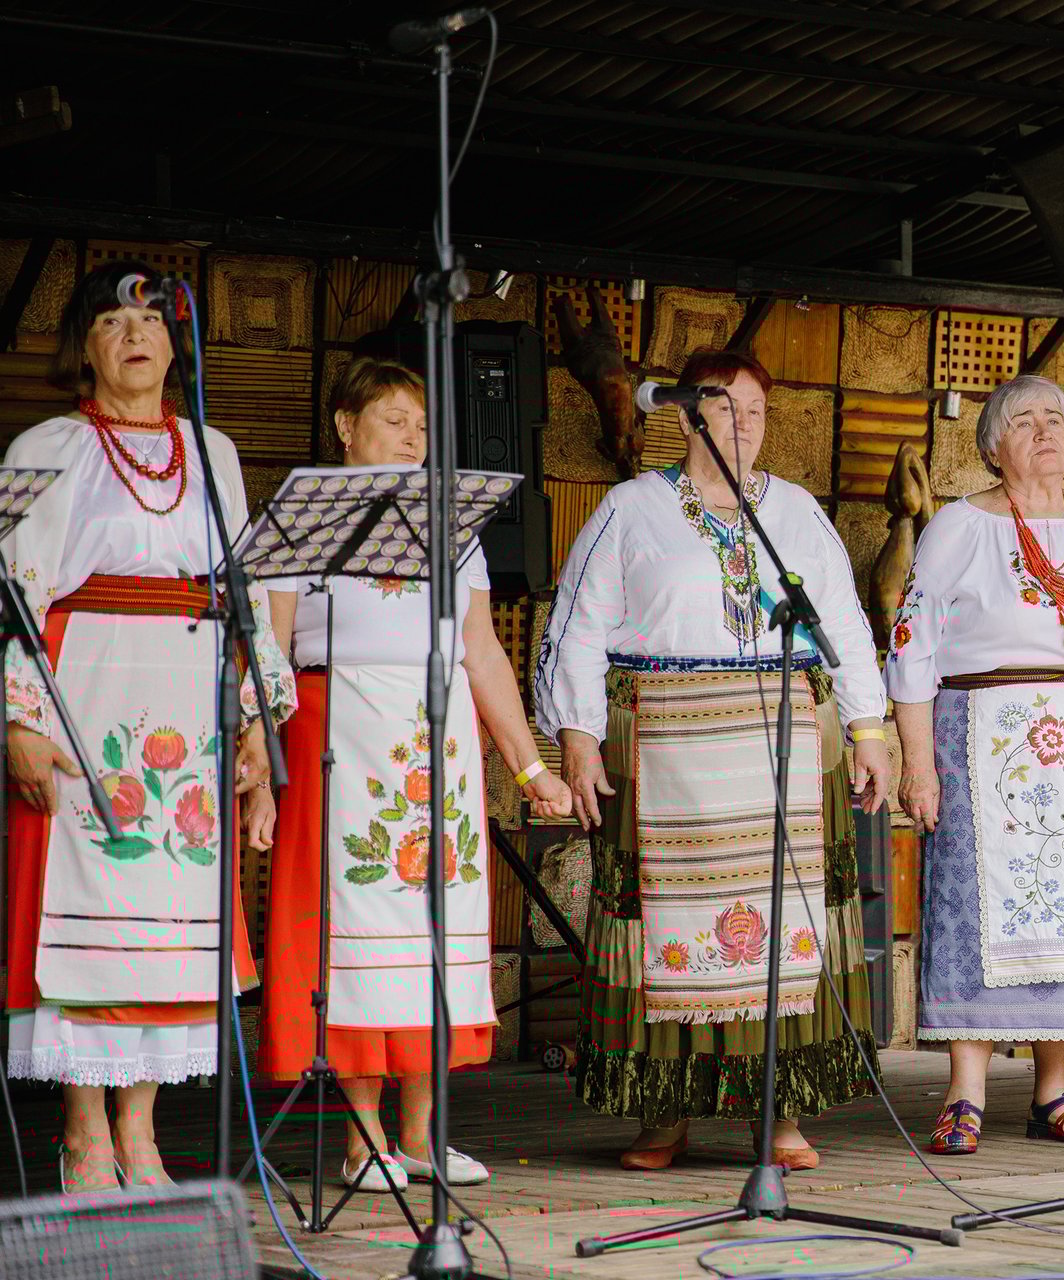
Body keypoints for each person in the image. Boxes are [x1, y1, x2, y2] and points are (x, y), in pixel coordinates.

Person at [535, 349, 888, 1172]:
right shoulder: (631, 509)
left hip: (784, 749)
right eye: (725, 407)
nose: (742, 424)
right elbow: (578, 628)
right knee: (666, 927)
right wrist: (579, 740)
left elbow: (840, 620)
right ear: (688, 415)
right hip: (668, 745)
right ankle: (665, 1115)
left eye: (756, 411)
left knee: (788, 929)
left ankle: (783, 1110)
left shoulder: (796, 512)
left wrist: (869, 730)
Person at [2, 260, 297, 1190]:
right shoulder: (47, 444)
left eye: (151, 321)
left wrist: (256, 718)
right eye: (111, 321)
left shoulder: (213, 453)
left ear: (177, 344)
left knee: (172, 926)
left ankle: (142, 1131)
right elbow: (10, 595)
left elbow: (241, 595)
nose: (135, 334)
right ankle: (83, 1132)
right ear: (83, 346)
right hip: (83, 693)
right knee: (84, 922)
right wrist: (16, 720)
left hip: (188, 702)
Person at [258, 357, 570, 1190]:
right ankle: (364, 1145)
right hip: (340, 726)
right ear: (344, 425)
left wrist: (531, 764)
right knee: (356, 937)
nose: (410, 437)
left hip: (438, 736)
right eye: (392, 419)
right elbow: (271, 647)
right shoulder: (303, 518)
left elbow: (482, 652)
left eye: (421, 425)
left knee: (429, 932)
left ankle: (423, 1141)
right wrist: (262, 761)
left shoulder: (451, 526)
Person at [890, 373, 1064, 1156]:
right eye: (1025, 420)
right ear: (993, 446)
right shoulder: (959, 530)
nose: (1046, 431)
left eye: (1057, 418)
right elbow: (911, 652)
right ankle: (965, 1093)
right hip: (983, 740)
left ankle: (1054, 1091)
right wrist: (916, 765)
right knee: (975, 911)